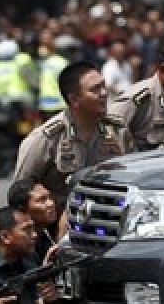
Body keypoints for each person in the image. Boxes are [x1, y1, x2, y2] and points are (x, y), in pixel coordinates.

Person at [11, 61, 126, 215]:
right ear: (74, 100)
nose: (104, 93)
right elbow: (19, 195)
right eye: (95, 90)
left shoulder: (118, 130)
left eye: (103, 86)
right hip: (60, 223)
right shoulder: (46, 138)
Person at [7, 178, 59, 262]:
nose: (51, 203)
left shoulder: (45, 236)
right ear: (23, 208)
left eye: (50, 197)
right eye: (42, 200)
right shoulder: (17, 245)